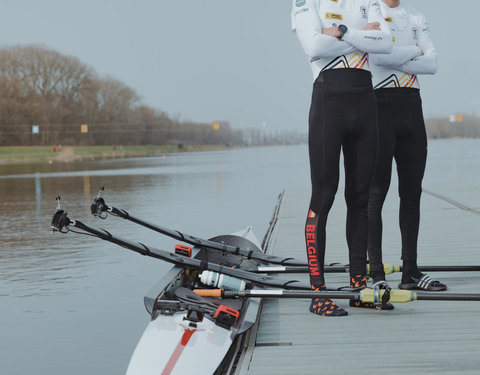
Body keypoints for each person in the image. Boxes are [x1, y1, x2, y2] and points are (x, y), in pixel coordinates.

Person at [292, 0, 393, 316]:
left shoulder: (369, 2)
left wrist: (339, 31)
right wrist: (362, 35)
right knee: (323, 196)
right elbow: (313, 45)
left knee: (361, 199)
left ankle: (359, 287)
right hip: (328, 102)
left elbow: (386, 43)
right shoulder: (307, 2)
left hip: (366, 102)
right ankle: (317, 291)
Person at [368, 0, 447, 291]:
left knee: (412, 194)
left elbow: (433, 64)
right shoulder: (370, 10)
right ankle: (376, 273)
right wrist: (415, 52)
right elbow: (376, 59)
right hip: (379, 107)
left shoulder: (415, 16)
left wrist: (395, 54)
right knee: (376, 195)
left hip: (412, 108)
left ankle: (410, 272)